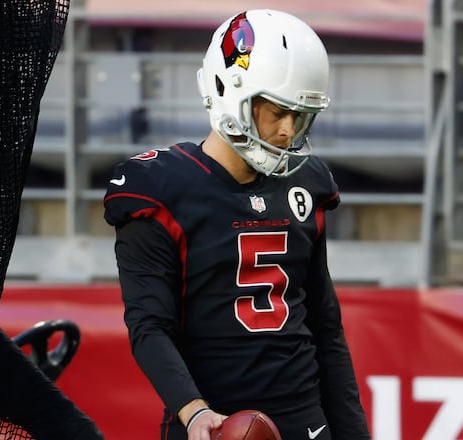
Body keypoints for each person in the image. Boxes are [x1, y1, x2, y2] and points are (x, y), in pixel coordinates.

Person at [103, 9, 370, 440]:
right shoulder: (160, 188)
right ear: (229, 90)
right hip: (215, 425)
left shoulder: (307, 184)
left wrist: (353, 433)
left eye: (299, 116)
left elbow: (324, 324)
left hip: (306, 420)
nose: (287, 131)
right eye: (276, 111)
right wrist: (194, 411)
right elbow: (149, 325)